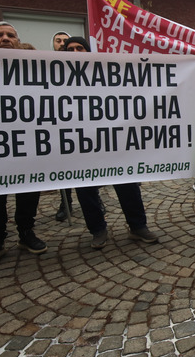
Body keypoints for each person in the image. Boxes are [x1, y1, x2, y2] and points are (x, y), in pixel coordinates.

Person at [61, 36, 160, 248]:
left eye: (81, 48)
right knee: (86, 190)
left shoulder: (106, 74)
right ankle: (97, 230)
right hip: (80, 145)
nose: (76, 52)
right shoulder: (58, 80)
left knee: (127, 184)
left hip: (113, 142)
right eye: (71, 49)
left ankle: (137, 226)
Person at [0, 22, 46, 268]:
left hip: (29, 142)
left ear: (18, 40)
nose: (5, 38)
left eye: (10, 35)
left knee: (29, 191)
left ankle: (26, 233)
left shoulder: (35, 70)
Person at [51, 30, 76, 221]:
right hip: (61, 127)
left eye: (65, 40)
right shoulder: (49, 68)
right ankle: (65, 203)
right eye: (58, 41)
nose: (62, 44)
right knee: (64, 169)